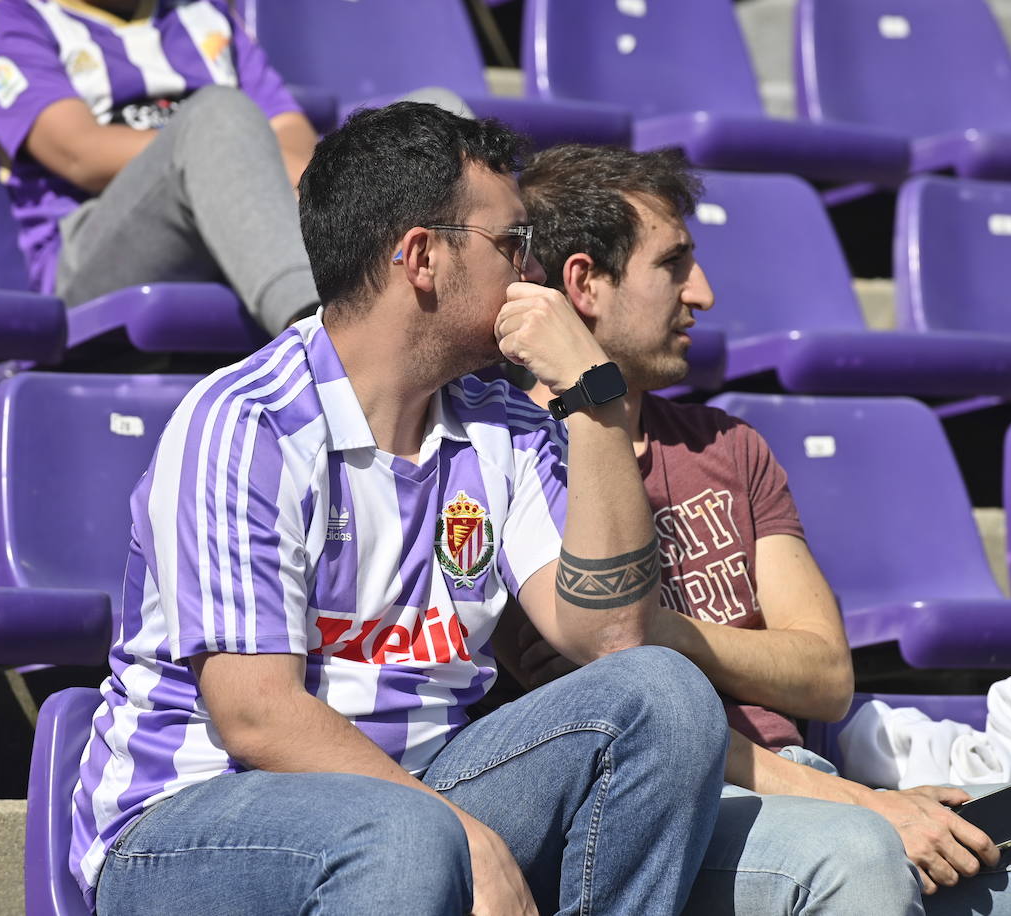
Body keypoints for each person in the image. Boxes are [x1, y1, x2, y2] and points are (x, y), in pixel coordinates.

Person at [504, 143, 1011, 915]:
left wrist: (646, 629)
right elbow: (635, 742)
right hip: (686, 816)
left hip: (819, 783)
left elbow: (827, 676)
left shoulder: (726, 445)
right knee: (860, 861)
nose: (703, 292)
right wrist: (862, 809)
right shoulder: (511, 467)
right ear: (584, 282)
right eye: (674, 264)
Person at [69, 104, 728, 916]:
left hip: (418, 790)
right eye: (512, 245)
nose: (533, 274)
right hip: (195, 822)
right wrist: (456, 829)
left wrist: (598, 401)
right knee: (402, 837)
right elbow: (255, 716)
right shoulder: (250, 422)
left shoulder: (506, 424)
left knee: (663, 692)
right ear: (422, 257)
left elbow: (609, 635)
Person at [0, 0, 319, 334]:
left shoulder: (206, 13)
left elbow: (290, 128)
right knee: (218, 117)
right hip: (87, 253)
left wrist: (237, 154)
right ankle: (317, 339)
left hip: (231, 221)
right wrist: (225, 148)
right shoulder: (12, 14)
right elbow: (80, 153)